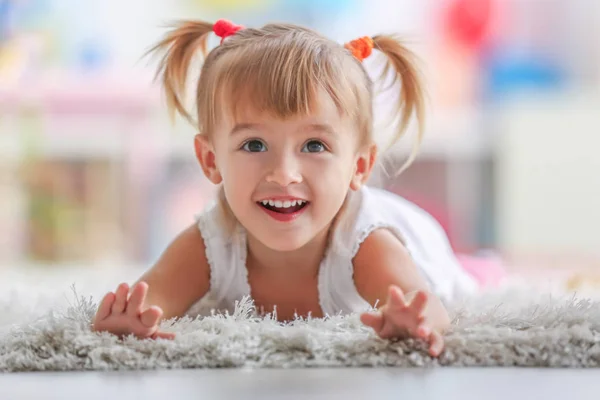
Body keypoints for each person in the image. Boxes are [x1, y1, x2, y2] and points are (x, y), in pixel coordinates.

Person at [91, 19, 478, 357]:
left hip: (421, 241)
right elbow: (151, 301)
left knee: (472, 282)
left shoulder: (367, 245)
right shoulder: (211, 242)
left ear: (359, 166)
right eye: (254, 145)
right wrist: (129, 322)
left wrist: (415, 320)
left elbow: (427, 307)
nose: (284, 174)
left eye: (314, 146)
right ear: (210, 160)